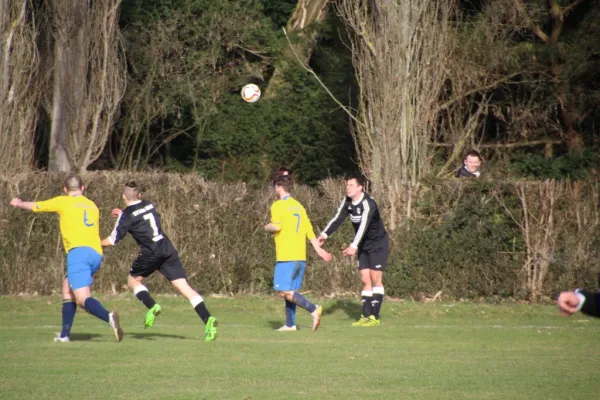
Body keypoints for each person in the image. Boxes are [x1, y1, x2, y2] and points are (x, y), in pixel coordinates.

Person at [9, 174, 123, 342]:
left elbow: (37, 206)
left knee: (82, 299)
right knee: (67, 290)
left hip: (78, 253)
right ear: (83, 188)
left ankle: (109, 317)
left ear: (64, 189)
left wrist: (18, 203)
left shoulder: (63, 201)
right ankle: (64, 335)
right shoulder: (92, 205)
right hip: (96, 252)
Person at [101, 181, 218, 342]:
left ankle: (152, 306)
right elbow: (139, 215)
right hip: (167, 248)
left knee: (133, 280)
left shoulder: (127, 215)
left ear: (123, 197)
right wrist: (123, 215)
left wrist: (95, 243)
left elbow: (112, 240)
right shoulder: (149, 204)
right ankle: (208, 319)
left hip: (151, 252)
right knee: (184, 287)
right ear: (140, 195)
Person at [318, 176, 389, 327]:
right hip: (362, 244)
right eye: (347, 185)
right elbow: (337, 218)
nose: (347, 188)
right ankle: (365, 315)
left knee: (375, 277)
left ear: (360, 188)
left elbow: (363, 225)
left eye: (351, 185)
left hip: (378, 244)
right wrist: (324, 234)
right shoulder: (347, 201)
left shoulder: (369, 203)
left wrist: (353, 246)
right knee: (365, 279)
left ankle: (374, 317)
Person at [265, 175, 332, 331]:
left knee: (283, 291)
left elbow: (276, 226)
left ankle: (313, 309)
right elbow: (309, 231)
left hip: (286, 256)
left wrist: (266, 227)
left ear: (278, 187)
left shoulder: (278, 205)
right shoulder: (299, 206)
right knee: (290, 291)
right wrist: (319, 250)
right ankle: (290, 324)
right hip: (300, 256)